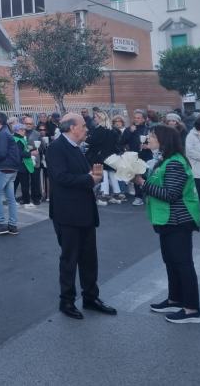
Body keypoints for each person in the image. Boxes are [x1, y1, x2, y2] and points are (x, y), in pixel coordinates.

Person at [46, 113, 116, 320]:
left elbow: (82, 176)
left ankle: (91, 297)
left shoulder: (77, 148)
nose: (87, 129)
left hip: (84, 212)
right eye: (84, 125)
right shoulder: (56, 148)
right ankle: (66, 301)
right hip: (67, 214)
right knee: (69, 259)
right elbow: (60, 178)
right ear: (72, 128)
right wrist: (89, 179)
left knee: (89, 259)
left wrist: (93, 177)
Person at [132, 125, 200, 323]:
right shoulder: (164, 161)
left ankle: (192, 310)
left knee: (183, 264)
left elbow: (171, 195)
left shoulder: (174, 163)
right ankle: (175, 299)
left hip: (178, 220)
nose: (148, 140)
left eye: (152, 137)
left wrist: (142, 183)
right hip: (166, 220)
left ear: (163, 141)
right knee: (171, 262)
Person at [0, 112, 21, 236]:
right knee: (10, 198)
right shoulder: (5, 132)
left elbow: (1, 153)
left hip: (4, 168)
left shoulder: (2, 134)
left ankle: (2, 224)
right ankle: (12, 225)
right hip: (11, 169)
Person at [86, 110, 123, 206]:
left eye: (95, 117)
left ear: (100, 118)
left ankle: (104, 196)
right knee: (111, 174)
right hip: (110, 156)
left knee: (103, 175)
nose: (94, 119)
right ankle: (117, 195)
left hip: (100, 156)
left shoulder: (99, 130)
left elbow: (93, 141)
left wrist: (86, 139)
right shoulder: (111, 130)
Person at [121, 110, 151, 206]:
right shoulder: (129, 129)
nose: (136, 120)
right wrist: (130, 132)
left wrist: (148, 146)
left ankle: (150, 194)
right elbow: (122, 142)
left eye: (139, 118)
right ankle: (138, 197)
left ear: (144, 119)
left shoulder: (148, 129)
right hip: (134, 156)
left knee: (147, 176)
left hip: (146, 155)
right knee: (137, 177)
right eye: (135, 118)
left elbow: (155, 142)